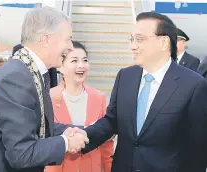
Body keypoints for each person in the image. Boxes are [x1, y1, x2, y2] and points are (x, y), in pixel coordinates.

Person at [80, 12, 207, 172]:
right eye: (131, 39)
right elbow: (112, 121)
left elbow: (197, 148)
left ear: (163, 43)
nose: (132, 46)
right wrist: (82, 136)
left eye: (139, 39)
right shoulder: (126, 76)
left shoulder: (193, 85)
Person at [0, 7, 88, 172]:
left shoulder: (30, 71)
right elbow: (21, 153)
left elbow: (33, 123)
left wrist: (66, 131)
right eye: (67, 39)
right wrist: (66, 143)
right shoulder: (16, 78)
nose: (70, 47)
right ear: (45, 39)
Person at [46, 41, 114, 172]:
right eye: (74, 61)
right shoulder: (48, 98)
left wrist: (109, 168)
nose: (81, 65)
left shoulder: (98, 98)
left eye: (85, 60)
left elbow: (106, 141)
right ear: (61, 66)